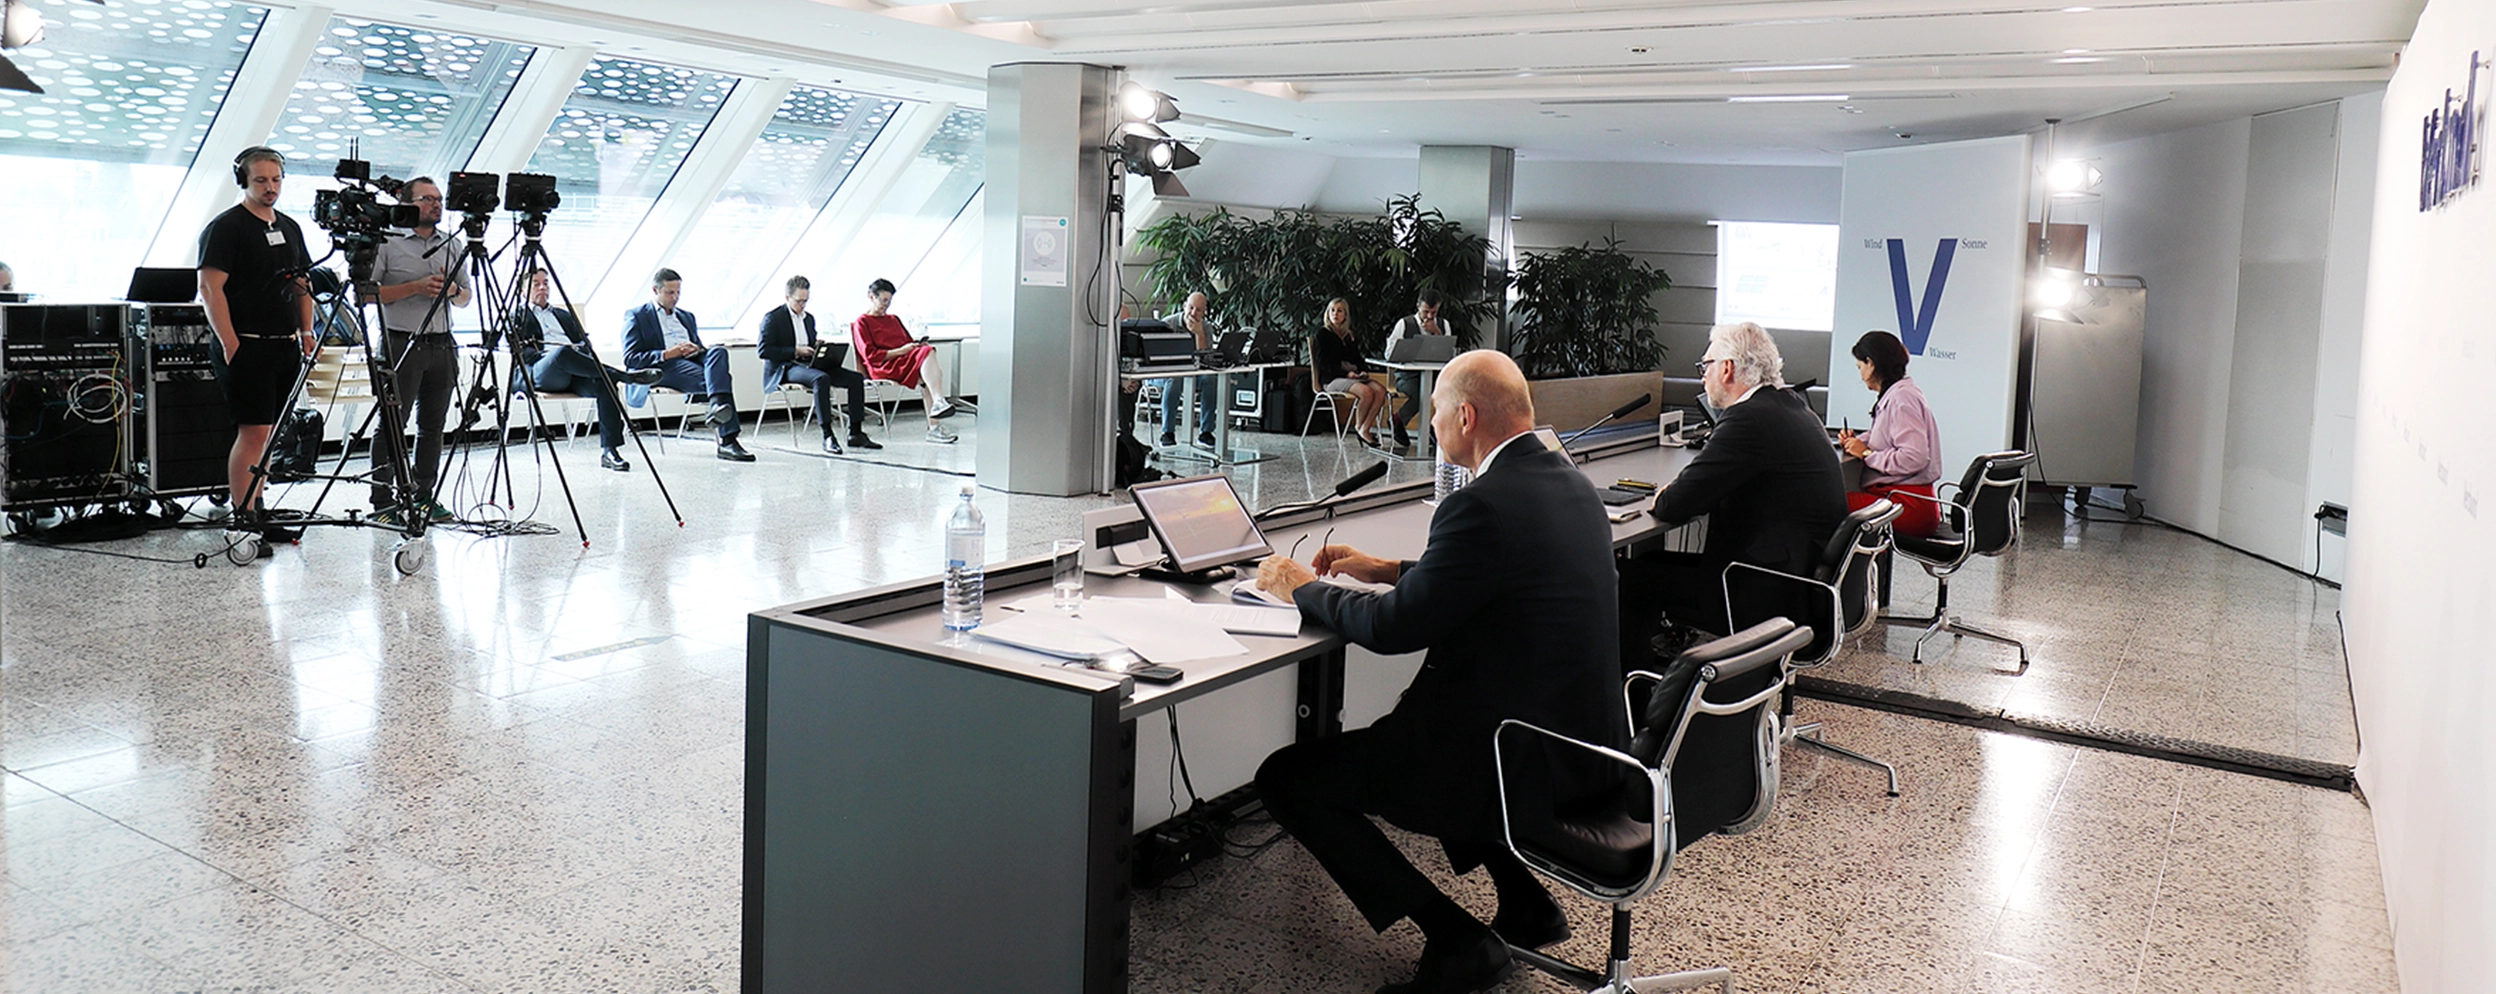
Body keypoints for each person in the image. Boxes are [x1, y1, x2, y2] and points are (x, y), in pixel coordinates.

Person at [1252, 350, 1626, 994]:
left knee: (1288, 779)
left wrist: (1299, 589)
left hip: (1502, 761)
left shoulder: (1479, 504)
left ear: (1467, 415)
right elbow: (1498, 576)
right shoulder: (1571, 484)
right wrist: (1389, 569)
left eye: (1433, 412)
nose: (1429, 426)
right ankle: (1526, 905)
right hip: (1575, 748)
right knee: (1430, 735)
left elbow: (1391, 630)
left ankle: (1457, 940)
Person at [1629, 321, 1847, 648]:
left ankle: (1642, 692)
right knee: (1648, 566)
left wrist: (1668, 493)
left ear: (1727, 369)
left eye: (1706, 365)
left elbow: (1674, 505)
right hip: (1798, 581)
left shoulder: (1748, 418)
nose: (1703, 375)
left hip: (1761, 591)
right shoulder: (1792, 407)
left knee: (1630, 579)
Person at [196, 146, 317, 526]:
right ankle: (244, 513)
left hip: (285, 345)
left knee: (269, 433)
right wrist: (230, 342)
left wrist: (307, 330)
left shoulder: (289, 227)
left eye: (276, 179)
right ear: (243, 181)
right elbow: (210, 288)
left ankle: (258, 502)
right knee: (253, 431)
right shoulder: (227, 227)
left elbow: (302, 282)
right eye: (261, 180)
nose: (270, 187)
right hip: (246, 344)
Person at [368, 177, 471, 523]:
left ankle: (423, 496)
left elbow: (467, 298)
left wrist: (453, 291)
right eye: (427, 199)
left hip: (442, 344)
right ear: (407, 202)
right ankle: (383, 501)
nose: (436, 205)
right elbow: (367, 293)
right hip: (401, 342)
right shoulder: (388, 241)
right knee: (393, 424)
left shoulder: (452, 245)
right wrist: (414, 287)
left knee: (433, 426)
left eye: (439, 199)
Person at [507, 268, 661, 472]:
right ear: (523, 290)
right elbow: (521, 353)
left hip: (573, 370)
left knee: (604, 384)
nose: (543, 287)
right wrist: (555, 355)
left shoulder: (563, 314)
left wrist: (580, 350)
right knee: (562, 352)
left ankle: (610, 451)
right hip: (541, 372)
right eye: (536, 283)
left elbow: (584, 343)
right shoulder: (516, 315)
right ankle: (624, 375)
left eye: (545, 282)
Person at [624, 268, 752, 462]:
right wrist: (668, 353)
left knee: (718, 351)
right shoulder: (637, 315)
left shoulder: (686, 316)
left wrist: (696, 349)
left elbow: (699, 346)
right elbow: (631, 358)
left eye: (678, 292)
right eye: (670, 293)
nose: (675, 297)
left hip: (690, 359)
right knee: (719, 380)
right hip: (664, 364)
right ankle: (728, 441)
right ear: (655, 290)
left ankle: (717, 407)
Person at [758, 275, 881, 455]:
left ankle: (855, 432)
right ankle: (827, 435)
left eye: (805, 301)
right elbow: (764, 351)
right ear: (787, 298)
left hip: (808, 363)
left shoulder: (808, 319)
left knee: (855, 378)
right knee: (821, 379)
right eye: (799, 301)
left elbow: (808, 340)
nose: (802, 306)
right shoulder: (773, 318)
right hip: (786, 367)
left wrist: (816, 346)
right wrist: (795, 351)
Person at [1837, 330, 1943, 537]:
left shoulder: (1901, 399)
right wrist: (1857, 442)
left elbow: (1914, 457)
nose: (1859, 374)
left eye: (1860, 367)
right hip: (1905, 500)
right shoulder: (1900, 394)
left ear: (1871, 363)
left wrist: (1868, 455)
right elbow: (1887, 435)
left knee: (1827, 502)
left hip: (1907, 505)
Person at [851, 277, 961, 444]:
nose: (886, 305)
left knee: (927, 363)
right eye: (883, 300)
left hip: (902, 360)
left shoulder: (893, 319)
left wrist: (915, 346)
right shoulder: (862, 323)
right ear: (871, 297)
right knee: (928, 360)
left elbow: (907, 342)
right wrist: (901, 351)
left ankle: (935, 421)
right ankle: (938, 407)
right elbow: (870, 356)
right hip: (883, 365)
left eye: (889, 301)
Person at [1381, 288, 1459, 451]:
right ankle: (1398, 420)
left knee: (1449, 392)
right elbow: (1389, 353)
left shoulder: (1443, 325)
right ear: (1418, 306)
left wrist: (1437, 333)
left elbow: (1449, 354)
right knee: (1421, 393)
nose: (1430, 316)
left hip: (1435, 375)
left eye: (1434, 312)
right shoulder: (1405, 324)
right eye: (1426, 311)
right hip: (1407, 376)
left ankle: (1436, 427)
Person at [1310, 296, 1389, 448]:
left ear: (1345, 315)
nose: (1335, 314)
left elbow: (1358, 359)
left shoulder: (1348, 335)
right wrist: (1346, 374)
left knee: (1380, 391)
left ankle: (1365, 427)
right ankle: (1361, 428)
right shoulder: (1323, 335)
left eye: (1339, 311)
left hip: (1353, 376)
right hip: (1333, 378)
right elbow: (1324, 364)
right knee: (1366, 392)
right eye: (1332, 310)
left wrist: (1363, 371)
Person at [1153, 291, 1220, 448]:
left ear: (1204, 312)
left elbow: (1206, 360)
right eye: (1190, 308)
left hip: (1193, 373)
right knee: (1175, 379)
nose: (1193, 313)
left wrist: (1199, 334)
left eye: (1198, 310)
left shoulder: (1206, 328)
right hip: (1164, 373)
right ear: (1184, 306)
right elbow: (1157, 355)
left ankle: (1206, 432)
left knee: (1210, 379)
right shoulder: (1168, 324)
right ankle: (1167, 432)